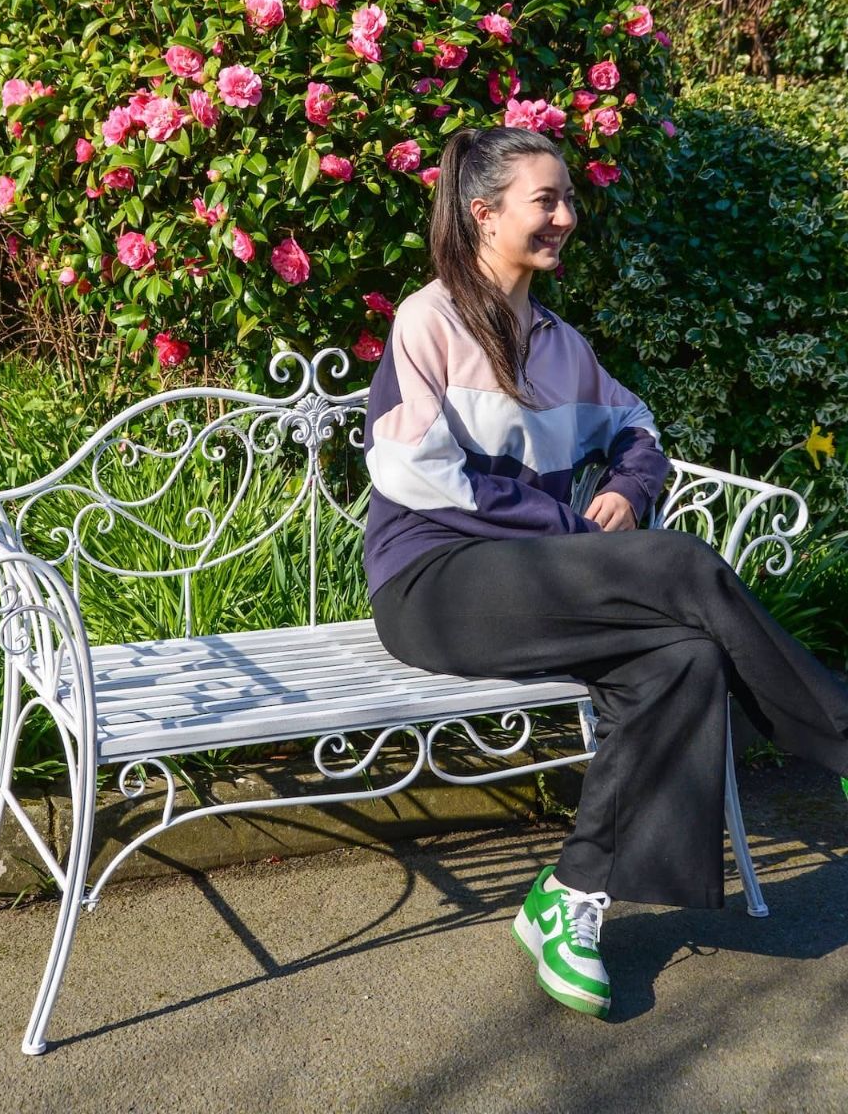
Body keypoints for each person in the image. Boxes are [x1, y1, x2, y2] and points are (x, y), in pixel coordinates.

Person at [361, 126, 848, 1020]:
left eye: (567, 200)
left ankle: (570, 899)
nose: (566, 217)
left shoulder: (558, 344)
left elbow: (639, 427)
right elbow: (416, 475)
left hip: (541, 581)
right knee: (679, 562)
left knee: (682, 662)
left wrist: (625, 488)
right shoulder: (426, 321)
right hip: (433, 582)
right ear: (483, 213)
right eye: (545, 200)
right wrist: (571, 525)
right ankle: (838, 735)